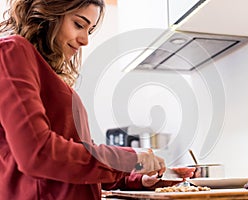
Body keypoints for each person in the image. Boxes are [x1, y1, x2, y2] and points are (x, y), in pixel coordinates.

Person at [0, 0, 195, 199]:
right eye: (78, 24)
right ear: (48, 14)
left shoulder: (50, 78)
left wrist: (137, 179)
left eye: (89, 30)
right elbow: (38, 153)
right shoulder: (12, 51)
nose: (85, 40)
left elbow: (81, 164)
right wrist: (130, 159)